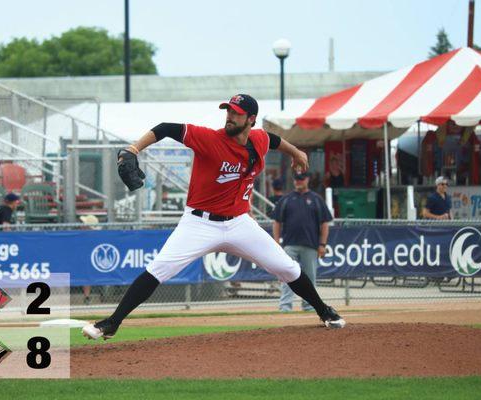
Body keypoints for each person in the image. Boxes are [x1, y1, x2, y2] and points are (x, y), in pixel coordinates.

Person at [82, 94, 345, 341]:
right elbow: (164, 128)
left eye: (237, 113)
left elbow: (274, 140)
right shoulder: (209, 138)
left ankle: (323, 310)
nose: (230, 116)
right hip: (199, 223)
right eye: (228, 110)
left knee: (287, 268)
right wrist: (133, 148)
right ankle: (112, 322)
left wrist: (296, 152)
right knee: (158, 269)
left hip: (239, 223)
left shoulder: (259, 140)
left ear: (251, 119)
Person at [273, 172, 332, 312]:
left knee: (310, 278)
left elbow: (325, 224)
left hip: (310, 245)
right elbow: (277, 222)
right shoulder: (286, 199)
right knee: (288, 275)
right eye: (296, 179)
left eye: (301, 179)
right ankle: (285, 306)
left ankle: (310, 305)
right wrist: (276, 242)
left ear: (308, 179)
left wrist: (322, 244)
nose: (298, 181)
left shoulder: (316, 199)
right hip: (290, 244)